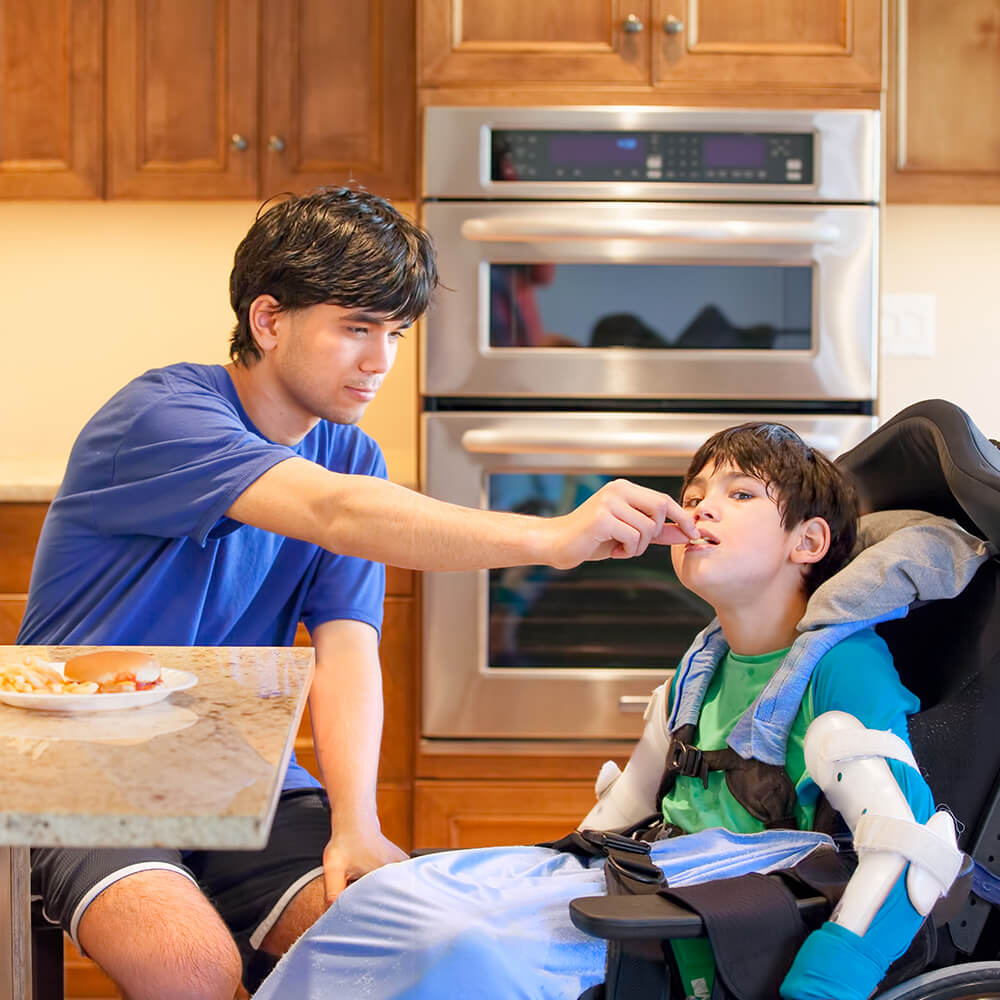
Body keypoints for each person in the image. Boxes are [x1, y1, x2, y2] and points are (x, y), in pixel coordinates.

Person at [18, 187, 699, 1000]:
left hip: (240, 770)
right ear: (268, 321)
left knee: (392, 933)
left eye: (395, 333)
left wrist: (357, 825)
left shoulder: (355, 454)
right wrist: (551, 539)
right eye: (355, 328)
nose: (379, 360)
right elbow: (331, 512)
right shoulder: (162, 414)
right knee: (189, 966)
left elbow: (346, 649)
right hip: (78, 774)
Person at [252, 420, 961, 1000]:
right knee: (392, 897)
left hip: (714, 932)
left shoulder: (842, 669)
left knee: (467, 951)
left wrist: (826, 984)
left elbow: (910, 854)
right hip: (650, 882)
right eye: (697, 490)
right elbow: (614, 820)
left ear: (808, 543)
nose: (700, 505)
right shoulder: (699, 670)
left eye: (740, 495)